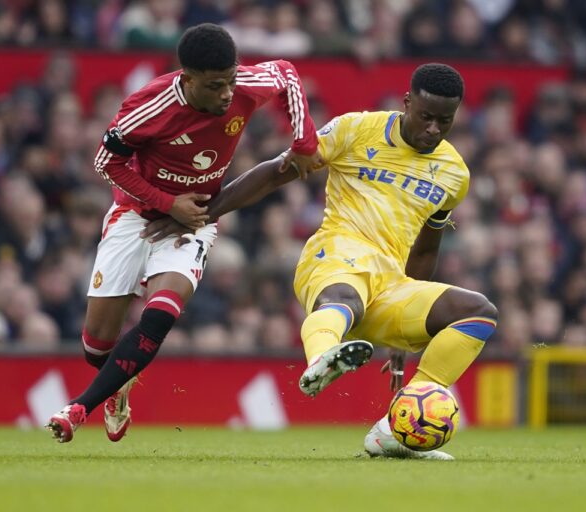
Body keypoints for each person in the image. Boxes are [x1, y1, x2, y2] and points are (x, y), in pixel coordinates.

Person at [145, 63, 497, 461]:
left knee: (479, 312)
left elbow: (426, 250)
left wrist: (402, 341)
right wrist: (206, 213)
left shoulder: (453, 174)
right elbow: (278, 171)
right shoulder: (356, 129)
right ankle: (322, 359)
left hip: (390, 285)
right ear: (407, 103)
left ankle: (397, 428)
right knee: (346, 299)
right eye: (426, 117)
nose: (433, 129)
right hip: (335, 258)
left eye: (444, 121)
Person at [45, 23, 322, 443]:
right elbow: (105, 162)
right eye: (215, 86)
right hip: (136, 216)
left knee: (160, 314)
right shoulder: (150, 106)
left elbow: (286, 73)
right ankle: (117, 385)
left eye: (230, 81)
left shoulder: (245, 85)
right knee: (96, 347)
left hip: (194, 221)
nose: (227, 94)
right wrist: (167, 202)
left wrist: (303, 140)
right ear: (188, 79)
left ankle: (78, 408)